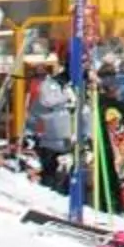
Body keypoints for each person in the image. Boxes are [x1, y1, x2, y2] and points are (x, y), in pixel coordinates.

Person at [24, 62, 76, 192]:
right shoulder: (51, 85)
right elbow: (45, 103)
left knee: (67, 169)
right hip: (52, 136)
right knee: (51, 168)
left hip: (70, 135)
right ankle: (50, 188)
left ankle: (61, 187)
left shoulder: (76, 85)